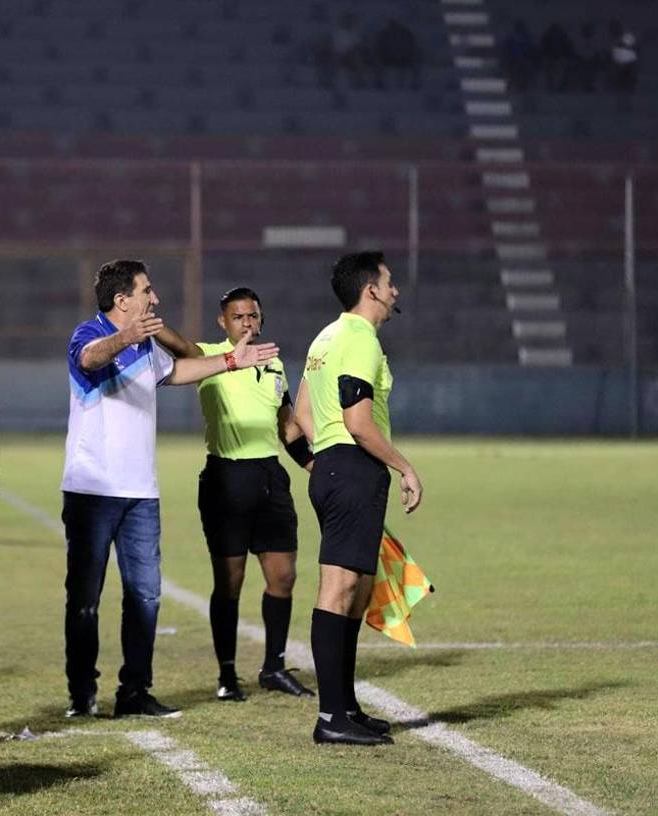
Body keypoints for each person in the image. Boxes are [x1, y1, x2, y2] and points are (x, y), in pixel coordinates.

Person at [61, 259, 279, 720]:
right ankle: (82, 694)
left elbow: (176, 372)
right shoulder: (89, 334)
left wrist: (230, 361)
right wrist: (125, 337)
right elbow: (89, 359)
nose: (155, 298)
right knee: (84, 599)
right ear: (122, 300)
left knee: (145, 595)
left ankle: (135, 691)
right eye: (147, 290)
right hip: (92, 489)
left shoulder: (146, 344)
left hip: (141, 490)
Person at [296, 251, 422, 746]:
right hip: (353, 468)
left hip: (336, 468)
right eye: (389, 283)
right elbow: (358, 421)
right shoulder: (361, 339)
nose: (395, 292)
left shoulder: (325, 337)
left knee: (356, 589)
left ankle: (345, 707)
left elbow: (302, 413)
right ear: (370, 290)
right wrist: (404, 466)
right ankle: (331, 718)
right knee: (339, 588)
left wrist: (326, 458)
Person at [180, 287, 316, 702]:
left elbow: (287, 427)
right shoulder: (209, 356)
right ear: (223, 322)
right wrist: (148, 326)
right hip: (226, 478)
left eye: (252, 315)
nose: (246, 322)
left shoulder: (273, 362)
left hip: (270, 477)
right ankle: (227, 674)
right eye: (237, 316)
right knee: (230, 581)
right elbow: (179, 347)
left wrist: (316, 468)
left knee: (284, 576)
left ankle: (274, 667)